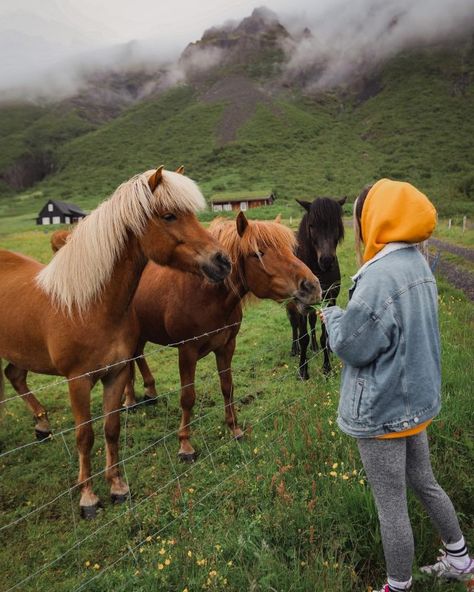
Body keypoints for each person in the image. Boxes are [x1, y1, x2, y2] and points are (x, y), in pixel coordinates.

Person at [319, 179, 473, 592]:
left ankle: (397, 586)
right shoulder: (416, 262)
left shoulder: (380, 276)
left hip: (384, 409)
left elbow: (353, 345)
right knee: (424, 481)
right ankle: (460, 559)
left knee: (391, 505)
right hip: (413, 403)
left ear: (375, 219)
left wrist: (331, 317)